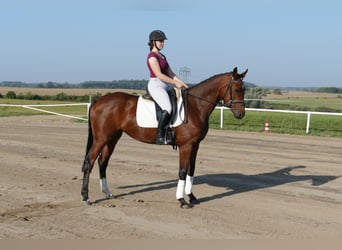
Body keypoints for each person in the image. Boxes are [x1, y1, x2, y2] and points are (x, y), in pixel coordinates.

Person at [146, 30, 188, 145]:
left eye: (163, 41)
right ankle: (160, 136)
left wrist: (183, 83)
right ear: (153, 42)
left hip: (165, 85)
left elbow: (171, 73)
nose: (162, 43)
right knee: (168, 108)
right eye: (160, 41)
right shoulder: (152, 57)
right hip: (156, 85)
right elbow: (159, 75)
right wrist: (175, 83)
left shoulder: (162, 56)